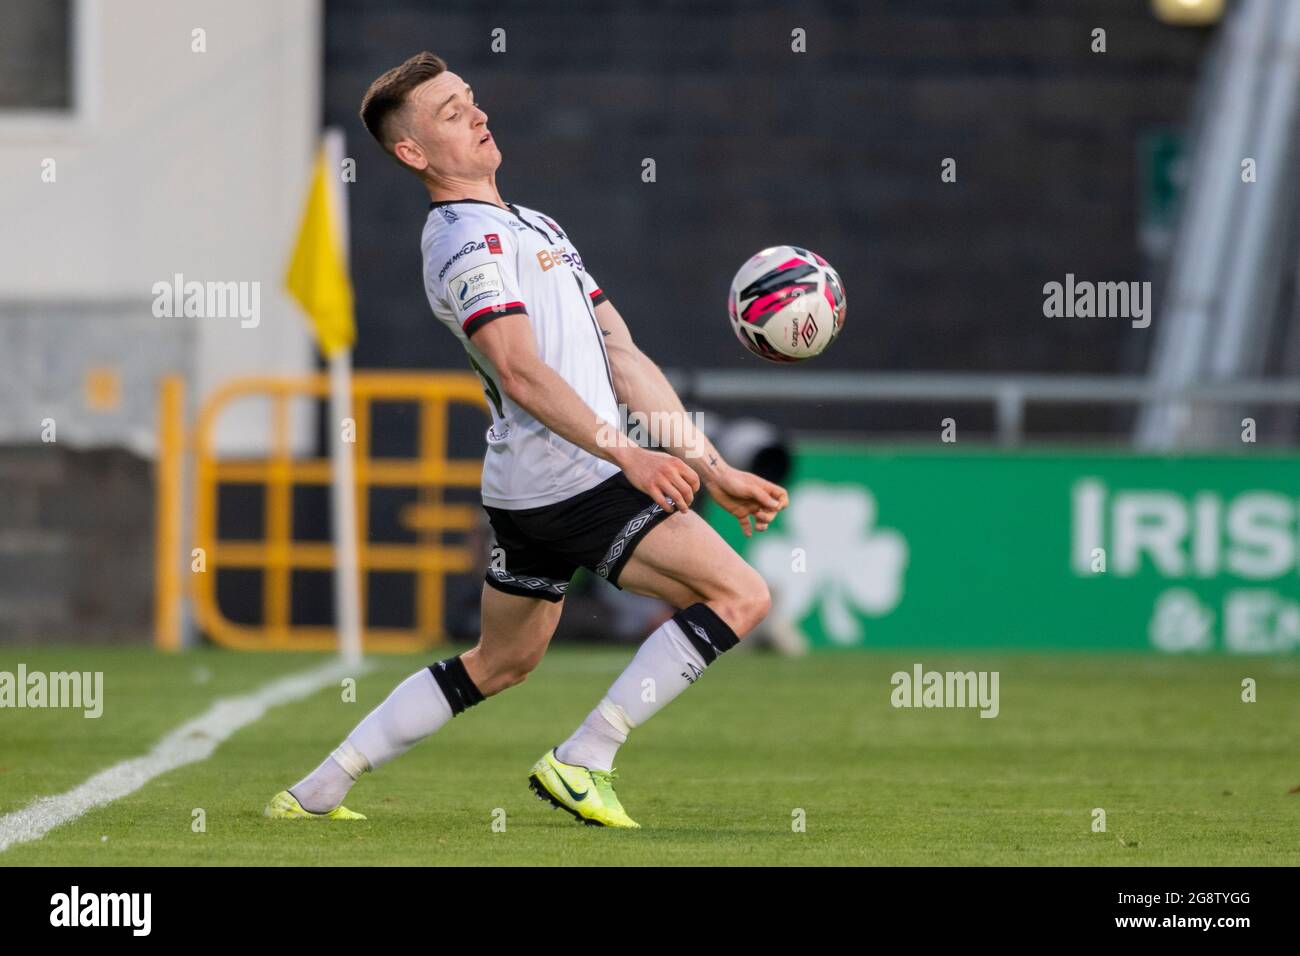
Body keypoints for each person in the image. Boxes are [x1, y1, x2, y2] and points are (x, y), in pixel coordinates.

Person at [265, 52, 788, 828]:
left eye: (470, 100)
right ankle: (585, 757)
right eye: (449, 113)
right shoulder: (460, 240)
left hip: (533, 483)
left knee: (502, 662)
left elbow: (623, 357)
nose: (476, 115)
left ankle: (317, 789)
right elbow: (517, 369)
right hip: (571, 476)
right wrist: (627, 454)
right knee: (740, 595)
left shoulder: (535, 225)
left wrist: (708, 466)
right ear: (412, 154)